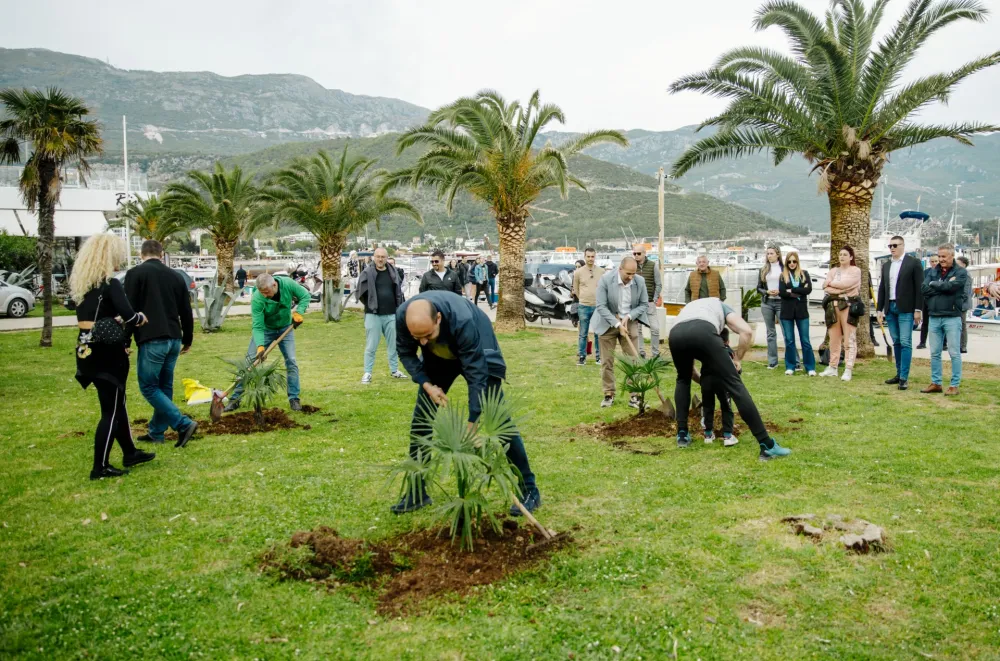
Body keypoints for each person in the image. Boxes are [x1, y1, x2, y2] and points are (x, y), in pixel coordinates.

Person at [392, 291, 540, 514]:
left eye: (427, 335)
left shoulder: (463, 320)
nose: (422, 342)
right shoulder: (404, 317)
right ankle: (416, 491)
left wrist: (473, 421)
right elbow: (406, 353)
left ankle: (529, 490)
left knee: (499, 422)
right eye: (417, 337)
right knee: (421, 422)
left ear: (438, 319)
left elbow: (476, 372)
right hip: (439, 357)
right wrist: (427, 384)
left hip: (479, 351)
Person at [70, 234, 155, 480]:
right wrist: (140, 317)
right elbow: (129, 316)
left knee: (116, 403)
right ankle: (100, 466)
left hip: (86, 349)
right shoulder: (110, 284)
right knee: (111, 410)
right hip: (108, 353)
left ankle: (129, 451)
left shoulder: (84, 286)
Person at [669, 297, 791, 459]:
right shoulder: (721, 306)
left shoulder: (690, 308)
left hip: (675, 334)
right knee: (735, 385)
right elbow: (746, 332)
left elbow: (690, 373)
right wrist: (737, 359)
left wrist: (705, 381)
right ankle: (766, 445)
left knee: (682, 379)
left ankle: (682, 435)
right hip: (704, 330)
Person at [124, 239, 198, 445]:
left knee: (148, 386)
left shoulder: (135, 274)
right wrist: (188, 338)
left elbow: (130, 309)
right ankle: (156, 432)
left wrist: (125, 340)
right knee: (164, 387)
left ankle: (183, 424)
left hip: (152, 338)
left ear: (141, 254)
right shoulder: (176, 276)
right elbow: (186, 311)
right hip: (174, 338)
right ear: (161, 253)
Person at [225, 273, 308, 412]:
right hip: (266, 330)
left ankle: (294, 398)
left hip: (285, 328)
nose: (264, 295)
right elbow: (257, 325)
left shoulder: (287, 284)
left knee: (291, 361)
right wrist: (260, 346)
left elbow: (305, 295)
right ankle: (235, 399)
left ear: (274, 285)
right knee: (249, 361)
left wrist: (299, 312)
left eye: (266, 292)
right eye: (262, 293)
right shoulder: (258, 298)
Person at [591, 256, 648, 409]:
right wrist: (616, 323)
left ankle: (634, 396)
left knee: (633, 361)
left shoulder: (639, 282)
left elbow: (643, 305)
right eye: (628, 274)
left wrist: (629, 317)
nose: (631, 277)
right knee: (607, 361)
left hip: (628, 323)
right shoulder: (606, 280)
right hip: (607, 322)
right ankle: (608, 394)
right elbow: (601, 306)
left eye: (633, 274)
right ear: (620, 269)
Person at [876, 235, 924, 390]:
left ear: (903, 245)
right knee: (896, 341)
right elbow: (883, 288)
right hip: (890, 308)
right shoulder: (886, 265)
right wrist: (879, 309)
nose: (892, 248)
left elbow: (919, 288)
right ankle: (898, 373)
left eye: (895, 245)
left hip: (906, 308)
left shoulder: (913, 263)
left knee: (905, 342)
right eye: (890, 246)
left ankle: (904, 377)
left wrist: (918, 309)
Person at [921, 244, 968, 396]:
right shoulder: (932, 271)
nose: (941, 260)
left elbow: (952, 287)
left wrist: (935, 285)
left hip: (952, 317)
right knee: (934, 353)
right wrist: (941, 286)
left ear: (951, 256)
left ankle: (954, 385)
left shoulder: (961, 272)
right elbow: (924, 288)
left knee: (954, 352)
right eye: (939, 256)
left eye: (944, 257)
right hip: (934, 316)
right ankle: (936, 383)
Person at [357, 247, 407, 384]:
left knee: (393, 345)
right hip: (373, 315)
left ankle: (394, 370)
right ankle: (367, 372)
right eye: (378, 256)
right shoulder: (367, 272)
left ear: (386, 258)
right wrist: (371, 304)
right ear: (374, 257)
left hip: (391, 314)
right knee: (371, 346)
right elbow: (361, 292)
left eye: (383, 257)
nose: (380, 259)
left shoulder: (392, 272)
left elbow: (397, 291)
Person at [819, 246, 862, 382]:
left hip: (848, 306)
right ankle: (833, 366)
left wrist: (833, 285)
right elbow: (825, 287)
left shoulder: (855, 270)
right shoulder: (833, 271)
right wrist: (839, 288)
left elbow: (847, 284)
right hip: (833, 306)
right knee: (834, 339)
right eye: (840, 254)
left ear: (851, 257)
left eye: (845, 254)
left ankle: (848, 368)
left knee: (849, 339)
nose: (842, 257)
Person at [778, 251, 816, 376]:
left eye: (794, 261)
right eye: (789, 261)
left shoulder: (804, 274)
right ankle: (790, 366)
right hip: (787, 312)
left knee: (805, 340)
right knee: (789, 340)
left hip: (801, 312)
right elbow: (782, 292)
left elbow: (808, 289)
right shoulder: (783, 276)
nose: (792, 263)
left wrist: (792, 290)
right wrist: (799, 291)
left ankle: (810, 367)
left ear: (797, 262)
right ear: (786, 262)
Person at [700, 328, 740, 447]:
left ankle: (708, 434)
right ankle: (727, 435)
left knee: (707, 406)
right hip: (722, 382)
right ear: (727, 341)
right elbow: (735, 368)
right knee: (726, 407)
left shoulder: (705, 350)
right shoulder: (728, 351)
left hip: (706, 381)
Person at [572, 247, 605, 366]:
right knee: (583, 333)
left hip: (597, 306)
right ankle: (582, 356)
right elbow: (575, 289)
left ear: (595, 257)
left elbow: (604, 288)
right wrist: (583, 298)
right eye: (588, 256)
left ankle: (599, 357)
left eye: (593, 256)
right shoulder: (578, 272)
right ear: (584, 257)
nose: (591, 259)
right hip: (584, 306)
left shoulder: (601, 271)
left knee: (598, 333)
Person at [756, 245, 784, 369]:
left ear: (777, 254)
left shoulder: (784, 268)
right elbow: (759, 288)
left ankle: (794, 360)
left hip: (781, 302)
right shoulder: (763, 270)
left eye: (771, 253)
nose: (769, 256)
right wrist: (766, 292)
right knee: (770, 333)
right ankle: (773, 361)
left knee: (786, 331)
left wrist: (781, 292)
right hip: (767, 303)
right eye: (768, 254)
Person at [632, 245, 662, 359]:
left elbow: (658, 284)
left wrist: (654, 299)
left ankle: (655, 354)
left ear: (645, 253)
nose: (636, 256)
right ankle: (641, 353)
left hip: (649, 302)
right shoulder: (632, 266)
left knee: (655, 328)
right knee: (637, 329)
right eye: (634, 254)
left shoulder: (653, 265)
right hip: (636, 304)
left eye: (638, 253)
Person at [916, 255, 939, 349]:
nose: (934, 263)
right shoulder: (925, 273)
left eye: (936, 261)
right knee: (925, 322)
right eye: (932, 261)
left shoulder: (943, 272)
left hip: (939, 301)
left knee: (940, 322)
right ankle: (922, 342)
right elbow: (923, 287)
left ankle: (944, 343)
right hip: (927, 300)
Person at [956, 255, 972, 354]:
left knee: (962, 325)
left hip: (962, 303)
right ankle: (959, 345)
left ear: (963, 264)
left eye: (957, 263)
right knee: (959, 325)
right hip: (960, 302)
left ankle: (963, 346)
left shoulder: (966, 275)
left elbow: (965, 291)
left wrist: (959, 302)